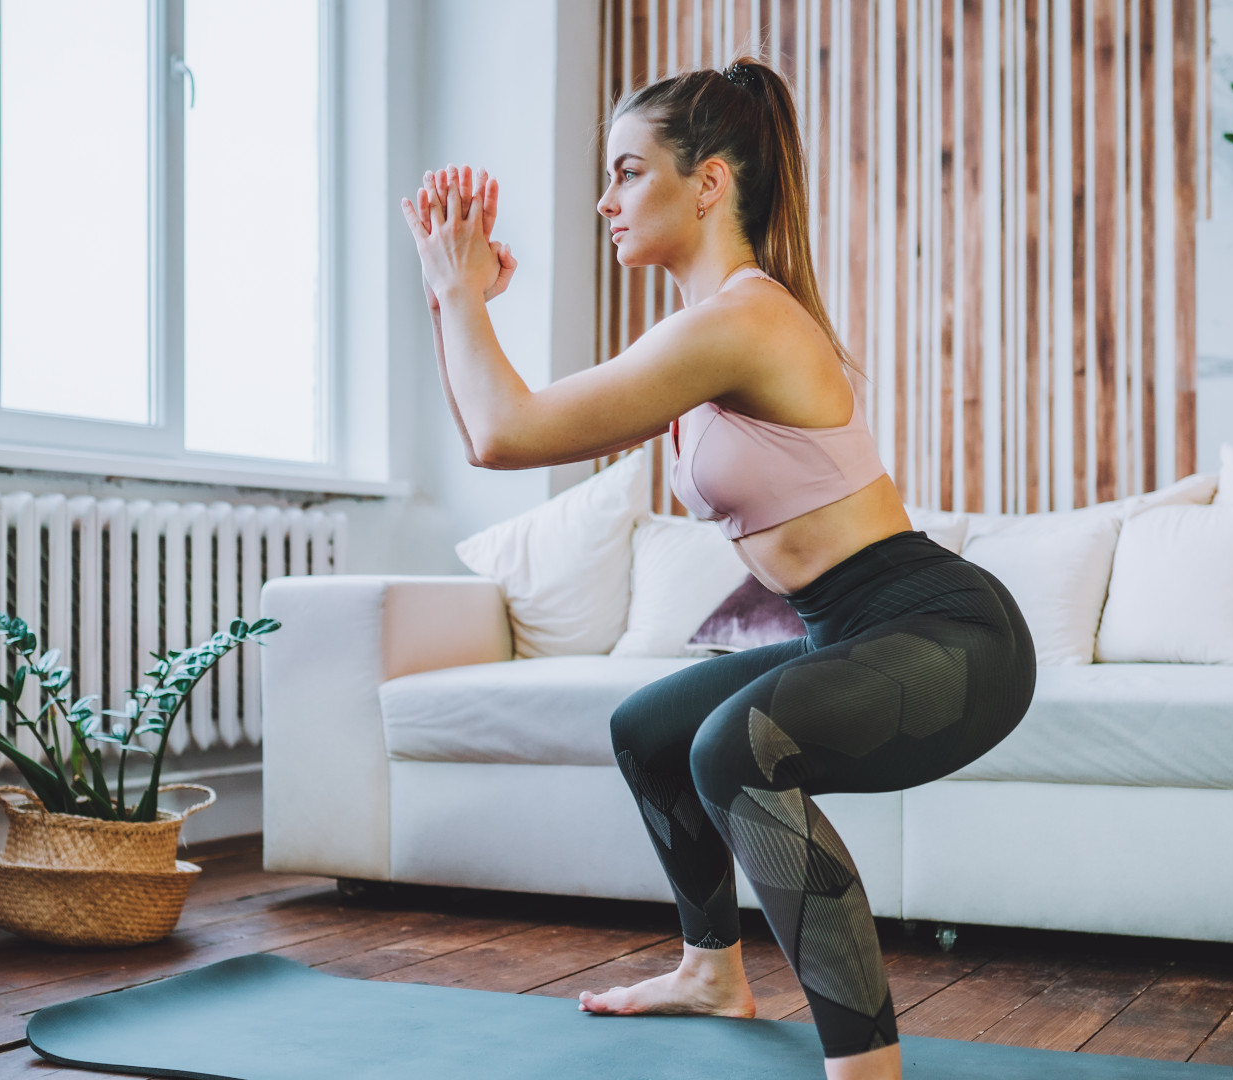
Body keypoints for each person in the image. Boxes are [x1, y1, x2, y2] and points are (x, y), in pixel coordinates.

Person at [400, 56, 1036, 1080]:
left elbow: (506, 431)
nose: (605, 201)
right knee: (651, 730)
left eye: (627, 172)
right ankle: (711, 973)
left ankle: (867, 1069)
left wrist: (459, 290)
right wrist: (454, 302)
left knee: (735, 750)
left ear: (707, 183)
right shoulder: (699, 329)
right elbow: (492, 430)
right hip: (854, 633)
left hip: (949, 635)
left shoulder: (743, 319)